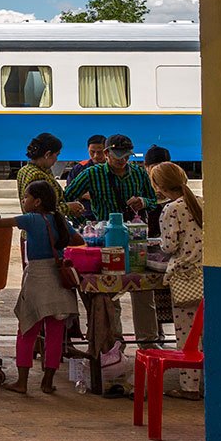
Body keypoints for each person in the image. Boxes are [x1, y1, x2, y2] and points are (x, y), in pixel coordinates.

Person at [0, 180, 81, 395]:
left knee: (27, 331)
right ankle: (47, 381)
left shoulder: (31, 219)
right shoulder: (60, 220)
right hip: (59, 281)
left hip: (38, 278)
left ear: (36, 202)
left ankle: (22, 382)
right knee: (56, 334)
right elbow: (79, 240)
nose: (23, 200)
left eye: (26, 197)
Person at [63, 134, 161, 345]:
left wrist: (143, 202)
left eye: (126, 156)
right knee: (109, 292)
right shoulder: (92, 174)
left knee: (143, 293)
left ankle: (148, 341)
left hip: (136, 238)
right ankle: (113, 342)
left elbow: (154, 201)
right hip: (105, 239)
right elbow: (67, 197)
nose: (122, 160)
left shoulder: (138, 174)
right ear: (106, 154)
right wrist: (81, 221)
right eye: (117, 155)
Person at [149, 162, 204, 396]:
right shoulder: (202, 202)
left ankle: (189, 387)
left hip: (185, 278)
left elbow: (169, 246)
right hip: (209, 275)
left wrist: (156, 245)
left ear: (158, 186)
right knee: (208, 334)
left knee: (187, 335)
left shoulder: (172, 209)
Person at [17, 133, 65, 205]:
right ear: (47, 154)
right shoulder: (37, 175)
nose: (56, 159)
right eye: (56, 155)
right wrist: (69, 208)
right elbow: (44, 209)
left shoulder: (24, 170)